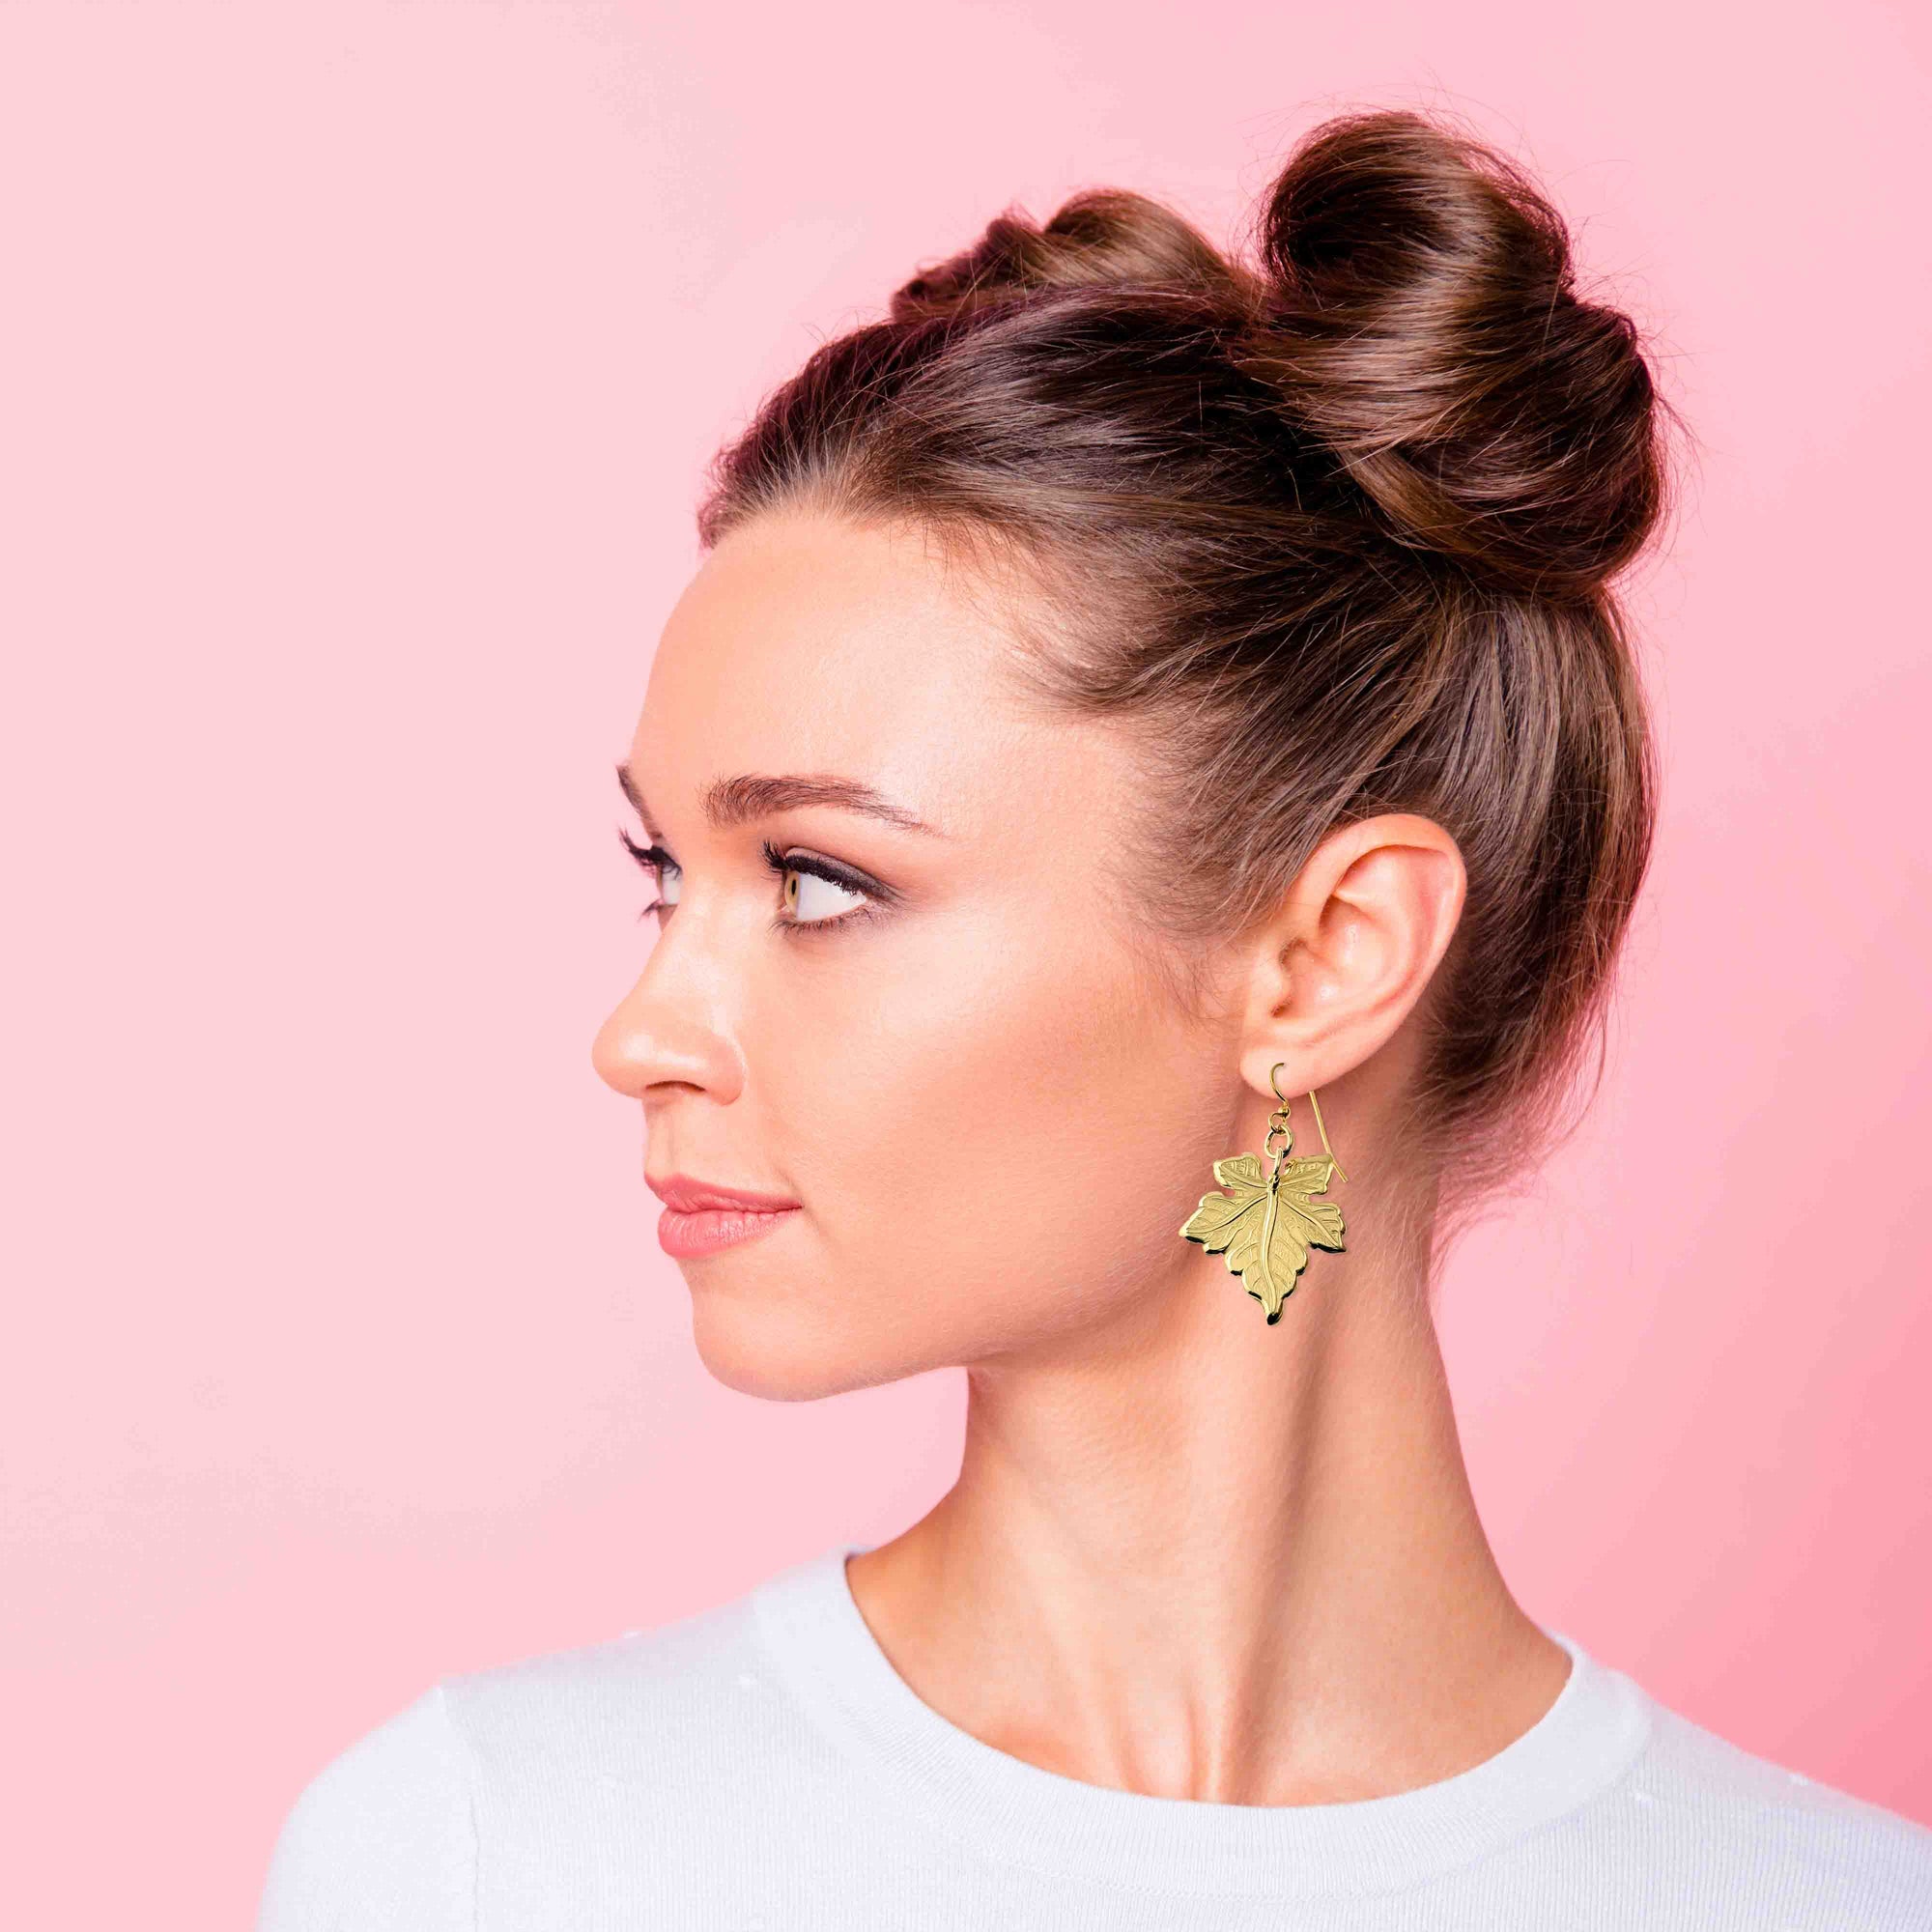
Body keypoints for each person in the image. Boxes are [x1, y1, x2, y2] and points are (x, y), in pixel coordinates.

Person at [256, 107, 1932, 1929]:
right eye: (668, 872)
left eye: (819, 881)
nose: (641, 1033)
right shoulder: (495, 1855)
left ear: (1323, 962)